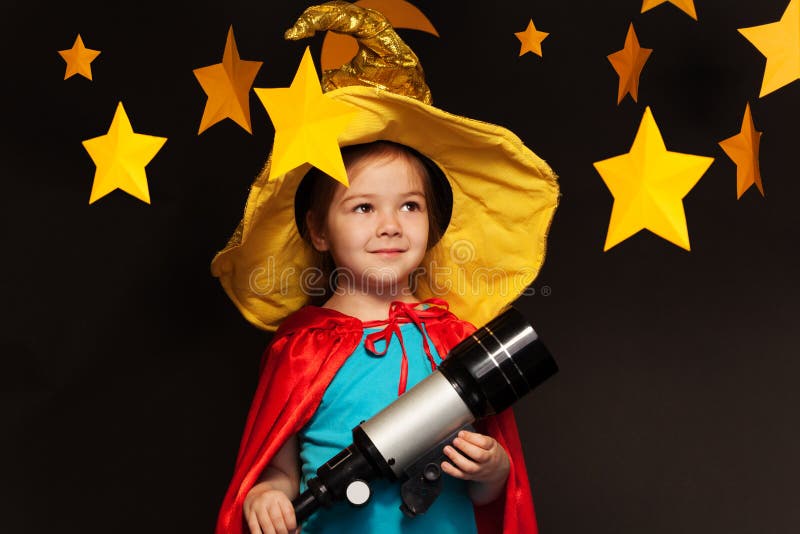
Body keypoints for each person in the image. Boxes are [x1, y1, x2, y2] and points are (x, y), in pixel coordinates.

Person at [212, 3, 559, 534]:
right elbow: (277, 470)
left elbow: (494, 494)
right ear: (319, 230)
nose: (391, 225)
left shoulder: (453, 339)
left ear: (432, 223)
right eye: (363, 207)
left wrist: (494, 467)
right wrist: (266, 495)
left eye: (410, 206)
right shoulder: (301, 349)